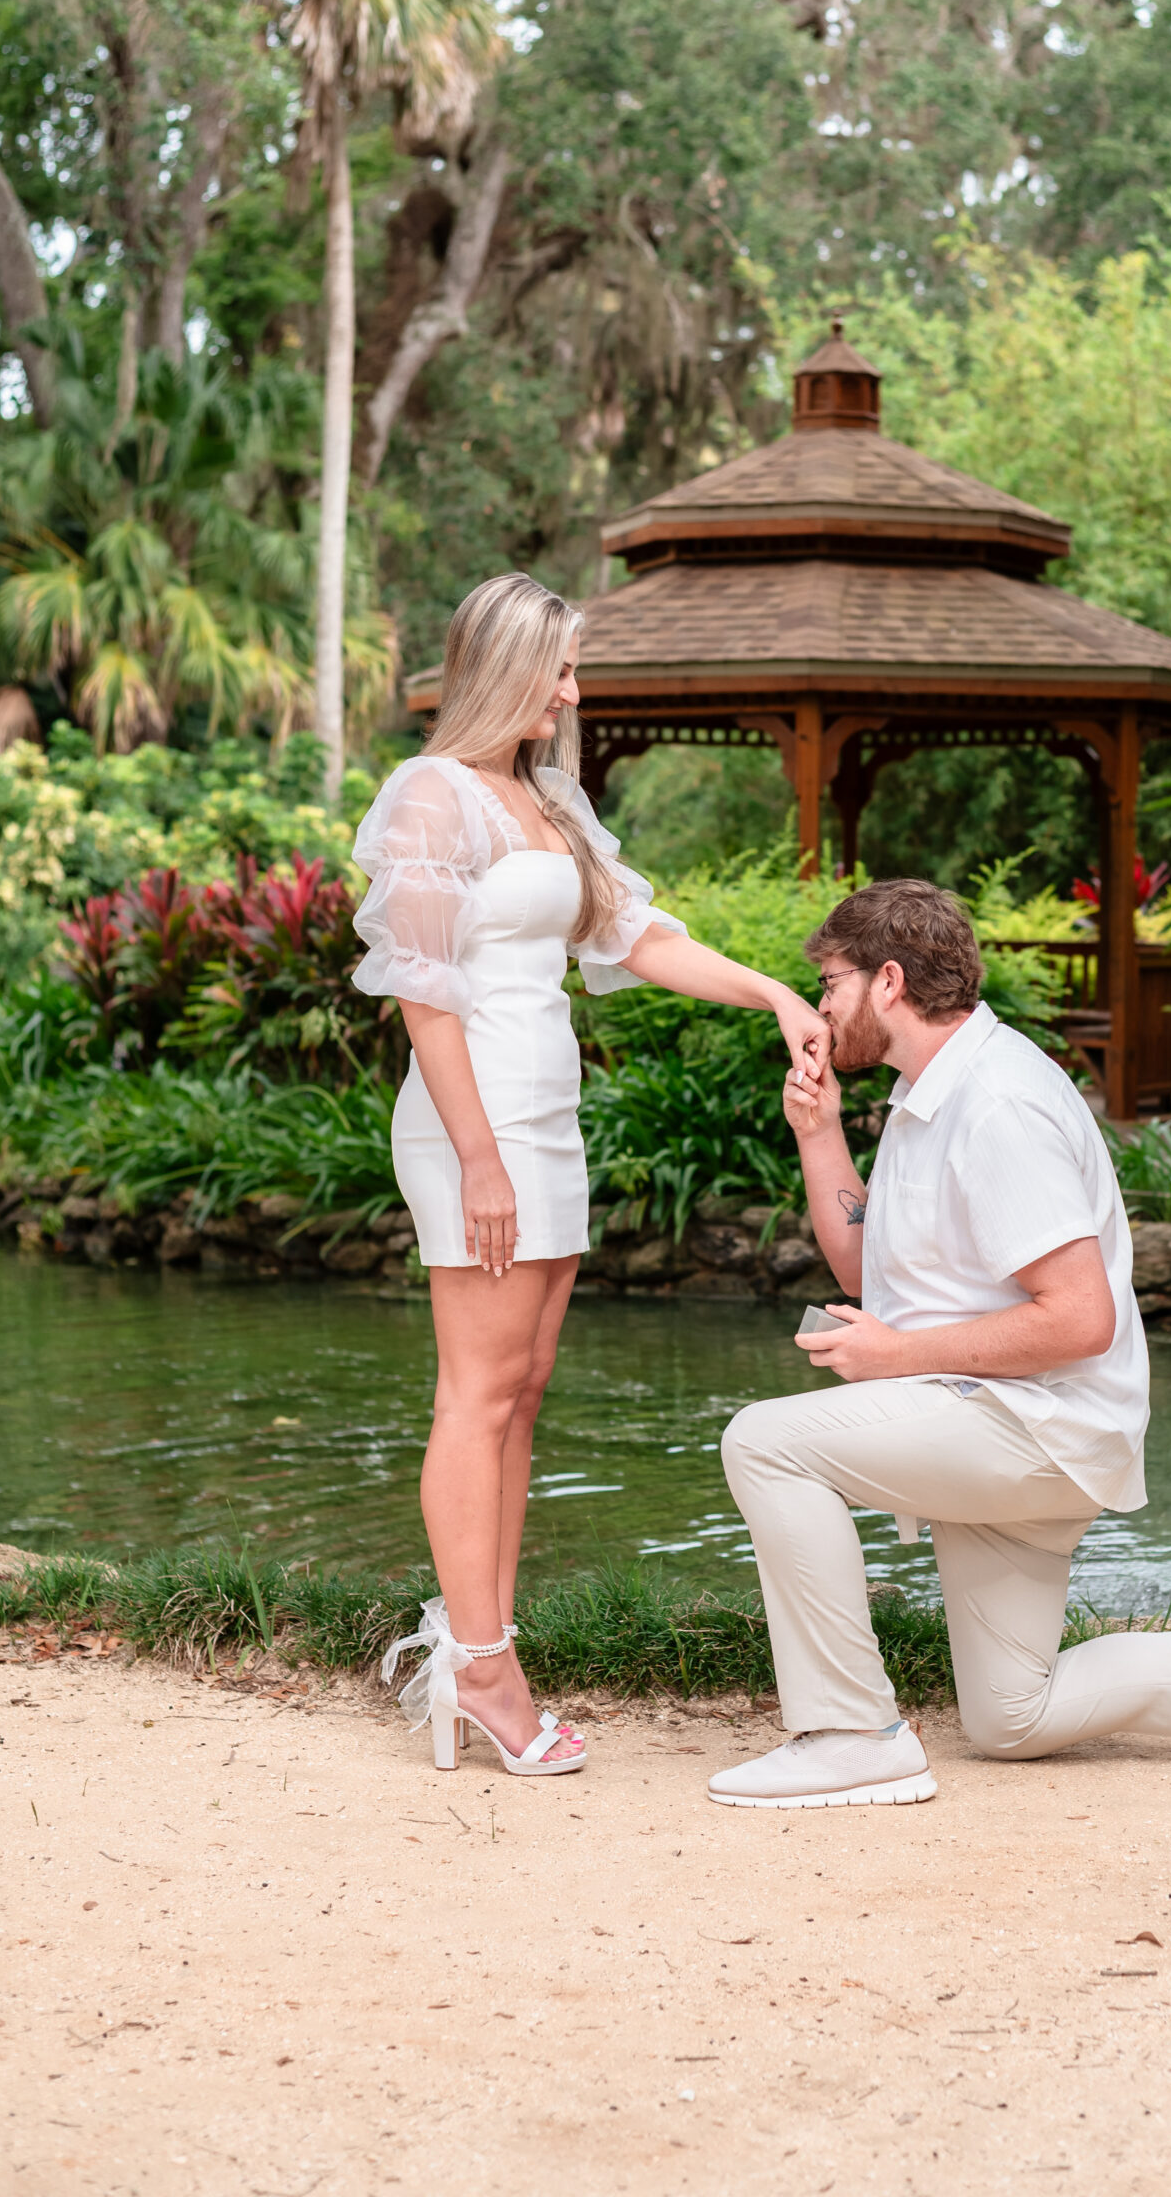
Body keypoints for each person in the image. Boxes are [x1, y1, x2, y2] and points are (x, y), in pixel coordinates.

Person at [708, 878, 1171, 1810]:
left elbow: (1077, 1320)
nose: (819, 1005)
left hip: (1038, 1425)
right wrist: (817, 1134)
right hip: (1004, 1422)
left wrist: (894, 1356)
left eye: (828, 981)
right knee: (1010, 1716)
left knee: (764, 1441)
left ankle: (851, 1733)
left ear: (887, 980)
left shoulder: (998, 1105)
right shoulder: (929, 1091)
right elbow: (869, 1272)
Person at [353, 573, 824, 1779]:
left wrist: (771, 990)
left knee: (523, 1386)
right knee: (477, 1389)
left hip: (545, 1114)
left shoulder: (547, 799)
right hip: (476, 1122)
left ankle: (482, 1645)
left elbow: (636, 936)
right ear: (504, 669)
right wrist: (478, 1160)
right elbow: (422, 991)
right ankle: (483, 1669)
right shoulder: (432, 797)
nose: (572, 692)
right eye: (557, 670)